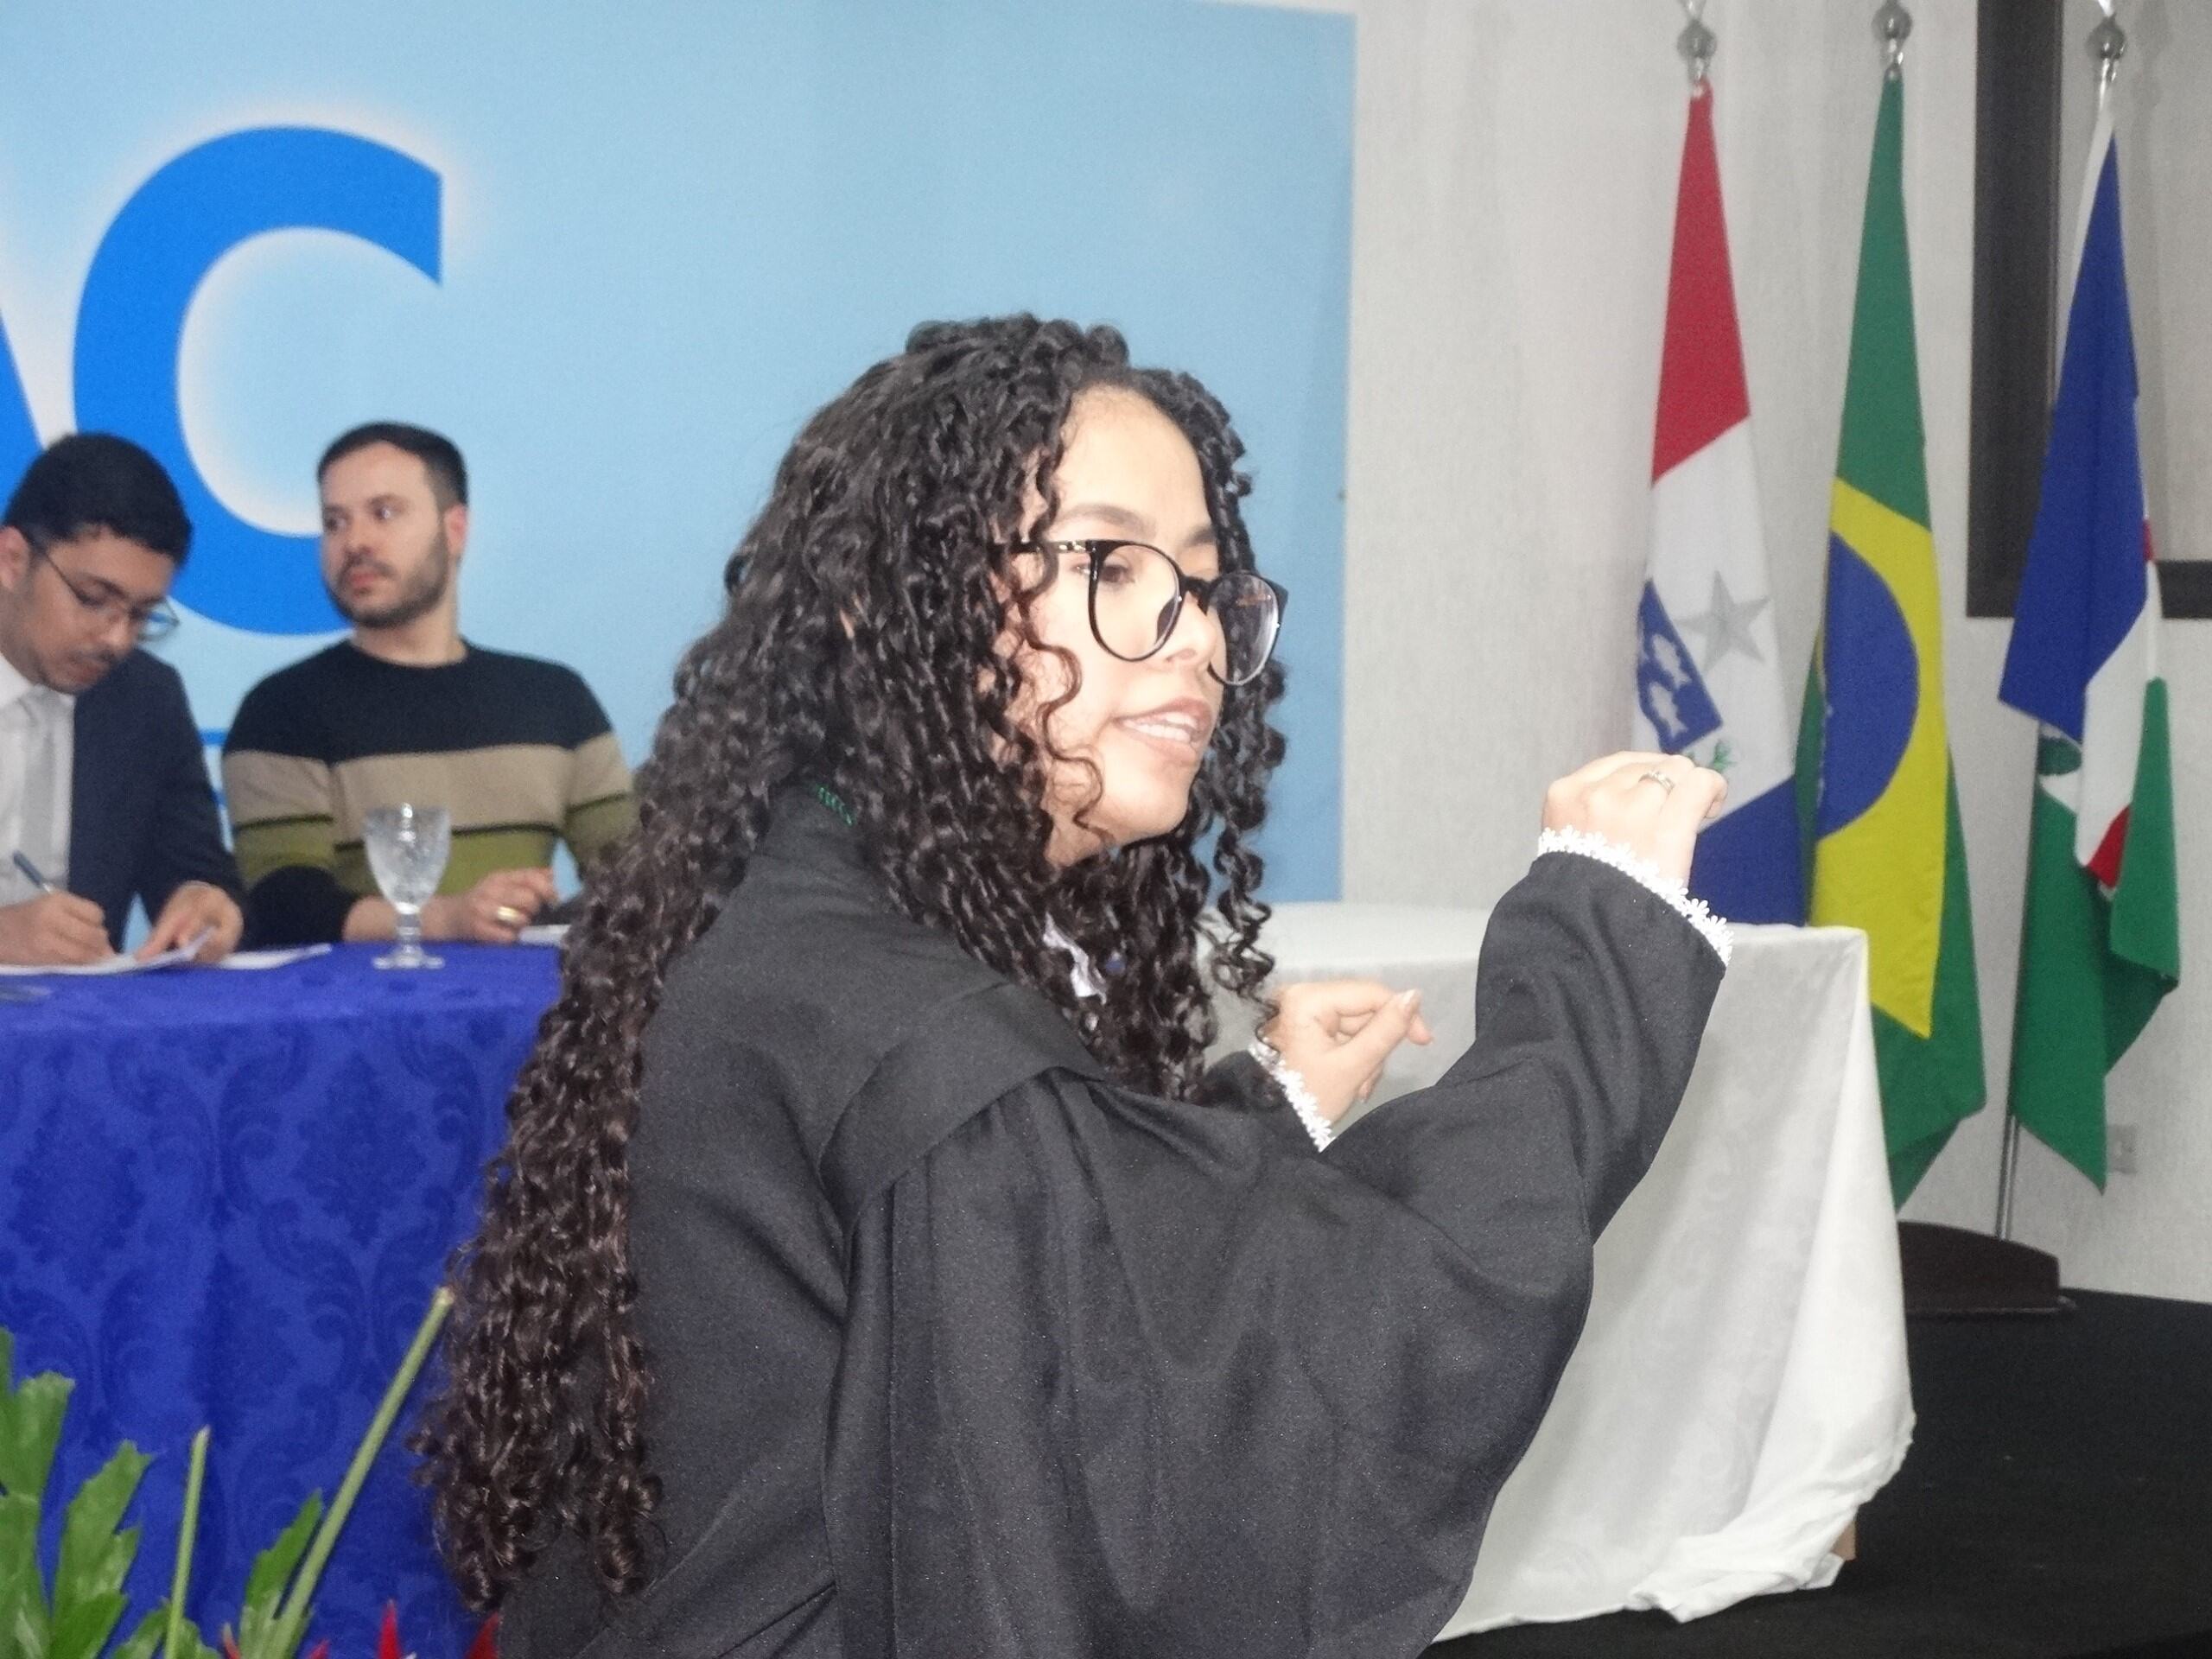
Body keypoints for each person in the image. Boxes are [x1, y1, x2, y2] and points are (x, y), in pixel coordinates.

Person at [419, 318, 1731, 1659]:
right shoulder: (914, 1033)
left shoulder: (809, 894)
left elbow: (1035, 1288)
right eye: (1111, 563)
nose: (1193, 639)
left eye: (1207, 586)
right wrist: (1601, 933)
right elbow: (1297, 1382)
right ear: (895, 594)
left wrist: (1264, 1107)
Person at [221, 423, 634, 947]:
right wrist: (444, 919)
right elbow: (281, 906)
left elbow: (637, 876)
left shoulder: (556, 700)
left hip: (533, 996)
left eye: (384, 513)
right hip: (352, 997)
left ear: (455, 530)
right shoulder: (281, 710)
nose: (355, 542)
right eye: (334, 522)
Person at [0, 434, 242, 966]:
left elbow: (195, 869)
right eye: (93, 600)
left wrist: (202, 902)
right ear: (13, 560)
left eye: (141, 614)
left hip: (84, 1015)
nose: (116, 640)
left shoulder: (145, 700)